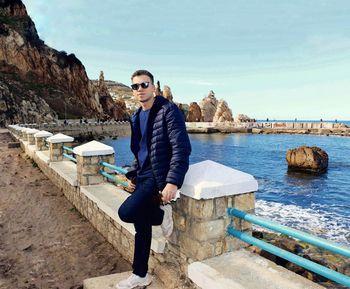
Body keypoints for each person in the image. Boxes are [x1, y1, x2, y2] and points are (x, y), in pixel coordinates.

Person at [116, 70, 191, 289]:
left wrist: (173, 182)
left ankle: (161, 212)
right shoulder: (136, 116)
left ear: (153, 88)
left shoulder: (168, 111)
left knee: (126, 212)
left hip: (158, 177)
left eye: (144, 84)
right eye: (135, 86)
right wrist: (132, 175)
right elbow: (139, 151)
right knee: (141, 227)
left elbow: (181, 147)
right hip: (143, 175)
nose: (140, 89)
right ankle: (140, 274)